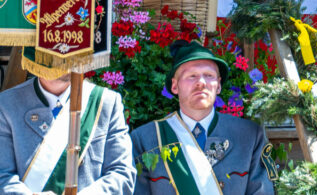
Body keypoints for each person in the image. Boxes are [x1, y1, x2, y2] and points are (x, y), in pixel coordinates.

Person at [131, 41, 276, 194]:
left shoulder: (249, 136)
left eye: (209, 75)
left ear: (218, 85)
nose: (201, 82)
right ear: (174, 86)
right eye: (192, 76)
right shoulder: (145, 139)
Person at [0, 56, 135, 194]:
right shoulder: (6, 105)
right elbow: (2, 176)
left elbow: (122, 173)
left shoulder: (106, 102)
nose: (60, 54)